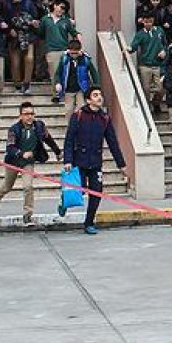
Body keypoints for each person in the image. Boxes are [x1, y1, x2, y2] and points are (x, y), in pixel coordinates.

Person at [60, 87, 130, 235]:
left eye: (100, 94)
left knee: (96, 192)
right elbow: (69, 140)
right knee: (78, 190)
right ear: (88, 100)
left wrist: (121, 164)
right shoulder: (78, 116)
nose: (99, 97)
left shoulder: (104, 118)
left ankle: (89, 222)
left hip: (95, 162)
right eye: (95, 95)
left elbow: (112, 142)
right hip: (79, 160)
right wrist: (68, 160)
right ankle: (64, 202)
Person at [0, 101, 61, 225]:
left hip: (28, 162)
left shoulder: (39, 126)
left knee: (28, 186)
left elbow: (48, 139)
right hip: (13, 161)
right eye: (26, 114)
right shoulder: (14, 129)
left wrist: (57, 151)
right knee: (7, 187)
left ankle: (28, 214)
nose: (29, 117)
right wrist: (21, 153)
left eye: (31, 113)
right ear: (20, 116)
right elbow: (10, 147)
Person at [0, 0, 41, 94]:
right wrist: (8, 30)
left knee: (29, 59)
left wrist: (34, 23)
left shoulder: (29, 4)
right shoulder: (5, 4)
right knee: (15, 62)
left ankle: (27, 84)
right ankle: (17, 85)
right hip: (13, 37)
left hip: (28, 35)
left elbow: (36, 18)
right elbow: (1, 19)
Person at [128, 14, 167, 114]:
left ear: (153, 21)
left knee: (161, 88)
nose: (148, 23)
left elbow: (164, 44)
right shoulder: (140, 34)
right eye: (146, 22)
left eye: (150, 21)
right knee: (146, 88)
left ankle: (156, 102)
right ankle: (147, 108)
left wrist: (163, 51)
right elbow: (134, 46)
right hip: (145, 65)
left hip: (156, 64)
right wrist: (129, 49)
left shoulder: (159, 31)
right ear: (142, 22)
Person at [53, 40, 100, 117]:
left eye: (76, 53)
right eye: (72, 53)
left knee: (81, 107)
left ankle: (80, 126)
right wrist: (58, 82)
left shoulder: (85, 59)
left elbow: (94, 73)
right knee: (68, 110)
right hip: (68, 88)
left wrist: (96, 86)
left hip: (81, 88)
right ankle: (70, 126)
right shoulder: (64, 59)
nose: (74, 55)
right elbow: (58, 73)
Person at [38, 0, 79, 85]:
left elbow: (74, 33)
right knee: (54, 75)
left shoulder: (66, 20)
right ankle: (56, 96)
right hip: (51, 50)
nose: (62, 10)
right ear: (55, 5)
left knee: (65, 74)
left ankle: (63, 95)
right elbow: (41, 33)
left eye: (64, 9)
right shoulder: (45, 19)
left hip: (65, 50)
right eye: (61, 7)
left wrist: (79, 43)